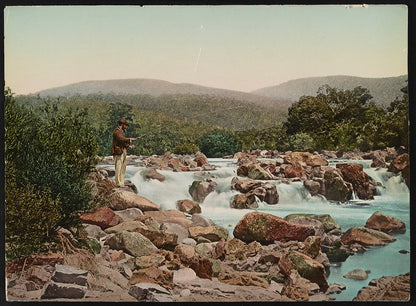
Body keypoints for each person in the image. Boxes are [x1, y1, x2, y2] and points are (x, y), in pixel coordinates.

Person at [111, 119, 136, 187]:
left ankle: (121, 182)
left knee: (123, 167)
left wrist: (129, 146)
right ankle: (118, 183)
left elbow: (122, 142)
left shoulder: (121, 132)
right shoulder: (117, 131)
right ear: (122, 124)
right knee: (118, 167)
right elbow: (121, 139)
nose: (126, 127)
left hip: (122, 151)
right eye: (126, 125)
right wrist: (130, 139)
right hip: (118, 152)